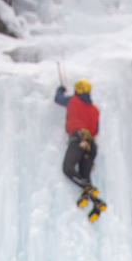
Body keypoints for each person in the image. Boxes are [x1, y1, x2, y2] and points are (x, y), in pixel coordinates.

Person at [55, 78, 105, 217]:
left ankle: (87, 188)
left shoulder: (73, 100)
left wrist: (60, 90)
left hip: (78, 139)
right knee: (84, 176)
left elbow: (58, 99)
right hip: (91, 145)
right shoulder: (95, 110)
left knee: (68, 168)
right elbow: (96, 130)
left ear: (77, 89)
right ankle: (96, 203)